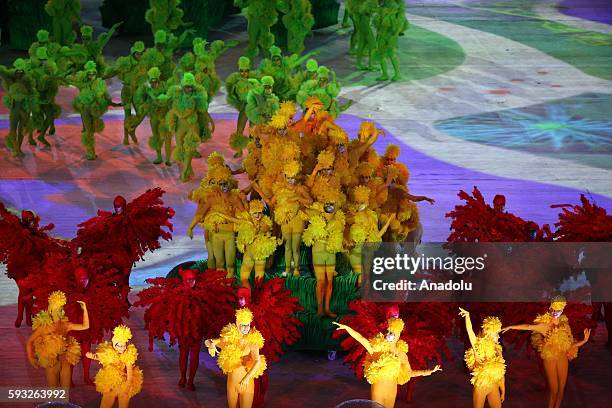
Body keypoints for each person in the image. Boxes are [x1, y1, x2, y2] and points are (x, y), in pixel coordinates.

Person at [333, 315, 441, 408]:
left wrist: (427, 372)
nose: (390, 334)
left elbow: (408, 373)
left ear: (398, 335)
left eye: (393, 332)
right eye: (389, 331)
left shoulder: (401, 354)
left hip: (392, 390)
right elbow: (361, 339)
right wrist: (347, 328)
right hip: (378, 389)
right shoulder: (376, 349)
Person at [502, 296, 591, 408]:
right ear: (550, 308)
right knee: (553, 390)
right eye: (553, 309)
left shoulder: (565, 326)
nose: (554, 312)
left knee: (561, 389)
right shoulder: (544, 326)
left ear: (562, 310)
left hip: (562, 358)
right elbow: (528, 326)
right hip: (549, 359)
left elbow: (570, 346)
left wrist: (584, 341)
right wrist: (511, 327)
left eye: (557, 310)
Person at [205, 307, 267, 408]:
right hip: (231, 385)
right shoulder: (230, 340)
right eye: (242, 325)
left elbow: (257, 361)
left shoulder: (252, 341)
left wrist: (247, 378)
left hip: (246, 385)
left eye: (247, 325)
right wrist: (211, 345)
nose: (245, 328)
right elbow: (208, 341)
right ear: (238, 325)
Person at [26, 291, 89, 388]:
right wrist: (31, 358)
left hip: (65, 364)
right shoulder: (45, 327)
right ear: (50, 310)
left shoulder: (66, 325)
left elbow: (85, 326)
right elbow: (29, 341)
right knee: (54, 394)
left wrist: (85, 310)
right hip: (52, 364)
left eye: (62, 309)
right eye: (58, 309)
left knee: (65, 394)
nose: (61, 312)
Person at [459, 308, 506, 408]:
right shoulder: (478, 347)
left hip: (494, 386)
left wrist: (503, 389)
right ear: (489, 333)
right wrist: (467, 317)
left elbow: (501, 372)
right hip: (481, 387)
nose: (498, 336)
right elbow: (471, 334)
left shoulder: (498, 350)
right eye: (496, 333)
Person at [87, 325, 143, 408]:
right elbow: (102, 356)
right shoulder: (109, 353)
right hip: (111, 385)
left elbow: (130, 377)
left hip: (123, 385)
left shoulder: (128, 356)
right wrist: (92, 356)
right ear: (114, 345)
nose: (121, 348)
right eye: (119, 346)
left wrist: (126, 389)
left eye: (123, 346)